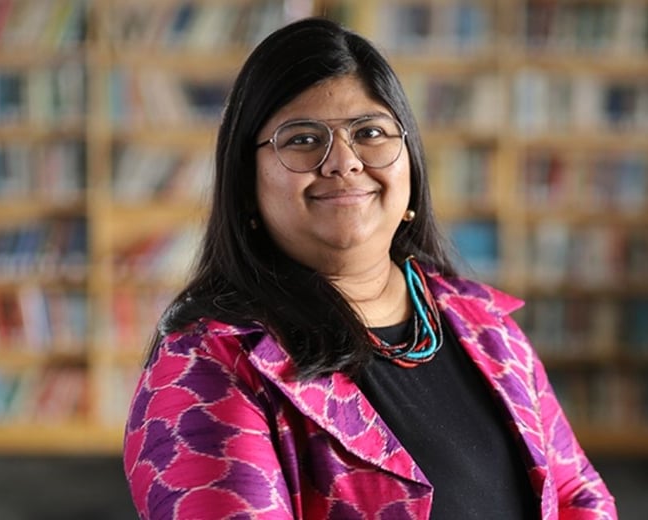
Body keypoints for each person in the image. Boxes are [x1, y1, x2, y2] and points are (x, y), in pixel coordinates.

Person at [122, 17, 617, 520]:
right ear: (247, 185)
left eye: (371, 132)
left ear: (410, 162)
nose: (345, 162)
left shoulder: (483, 321)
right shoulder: (208, 362)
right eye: (301, 139)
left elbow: (577, 494)